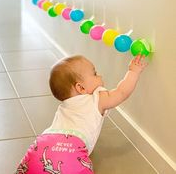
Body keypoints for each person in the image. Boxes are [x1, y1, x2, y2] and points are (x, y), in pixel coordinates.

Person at [15, 54, 147, 174]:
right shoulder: (97, 98)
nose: (99, 76)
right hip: (70, 151)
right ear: (81, 88)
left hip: (42, 143)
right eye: (95, 73)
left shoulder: (66, 104)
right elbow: (121, 92)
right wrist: (133, 72)